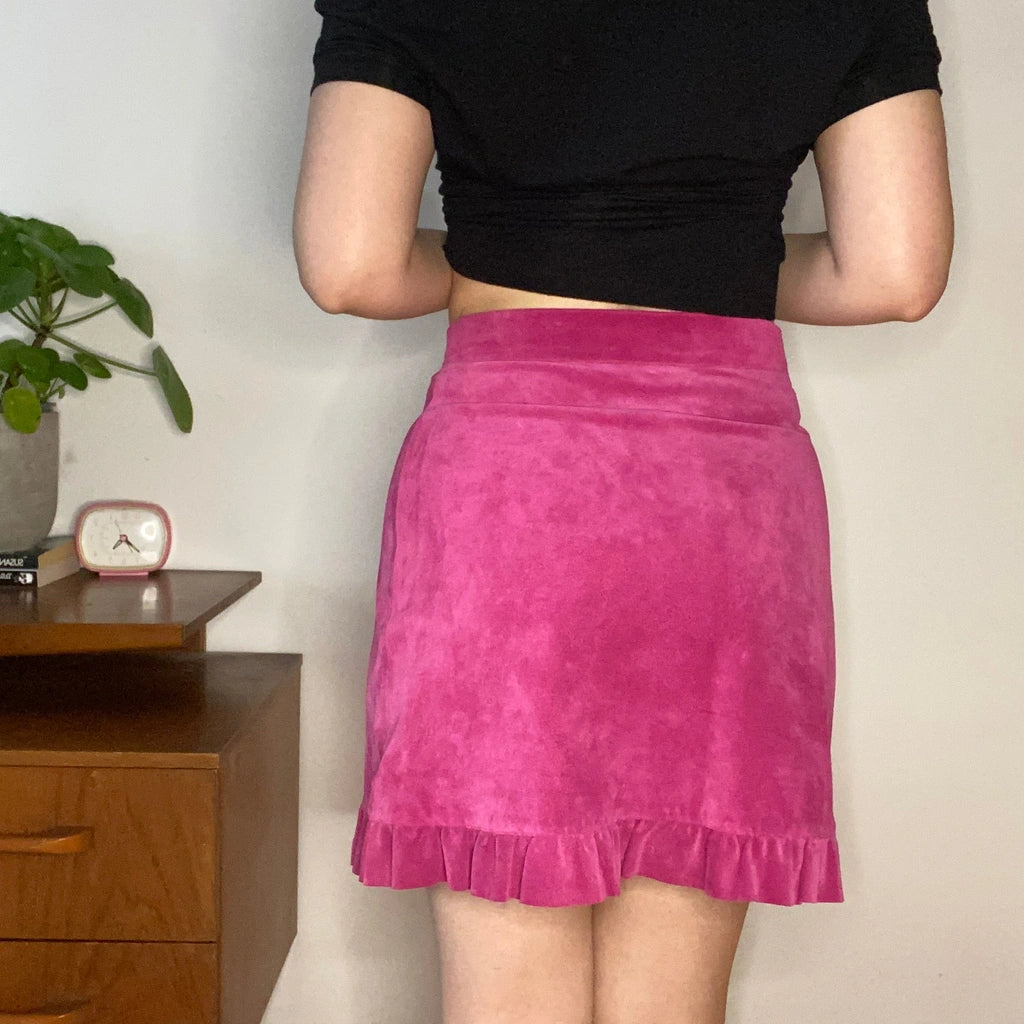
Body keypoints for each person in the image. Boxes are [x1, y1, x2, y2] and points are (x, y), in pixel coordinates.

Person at [293, 1, 954, 1022]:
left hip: (511, 485)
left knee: (507, 982)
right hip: (720, 485)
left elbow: (352, 267)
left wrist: (521, 258)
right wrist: (695, 262)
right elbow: (894, 275)